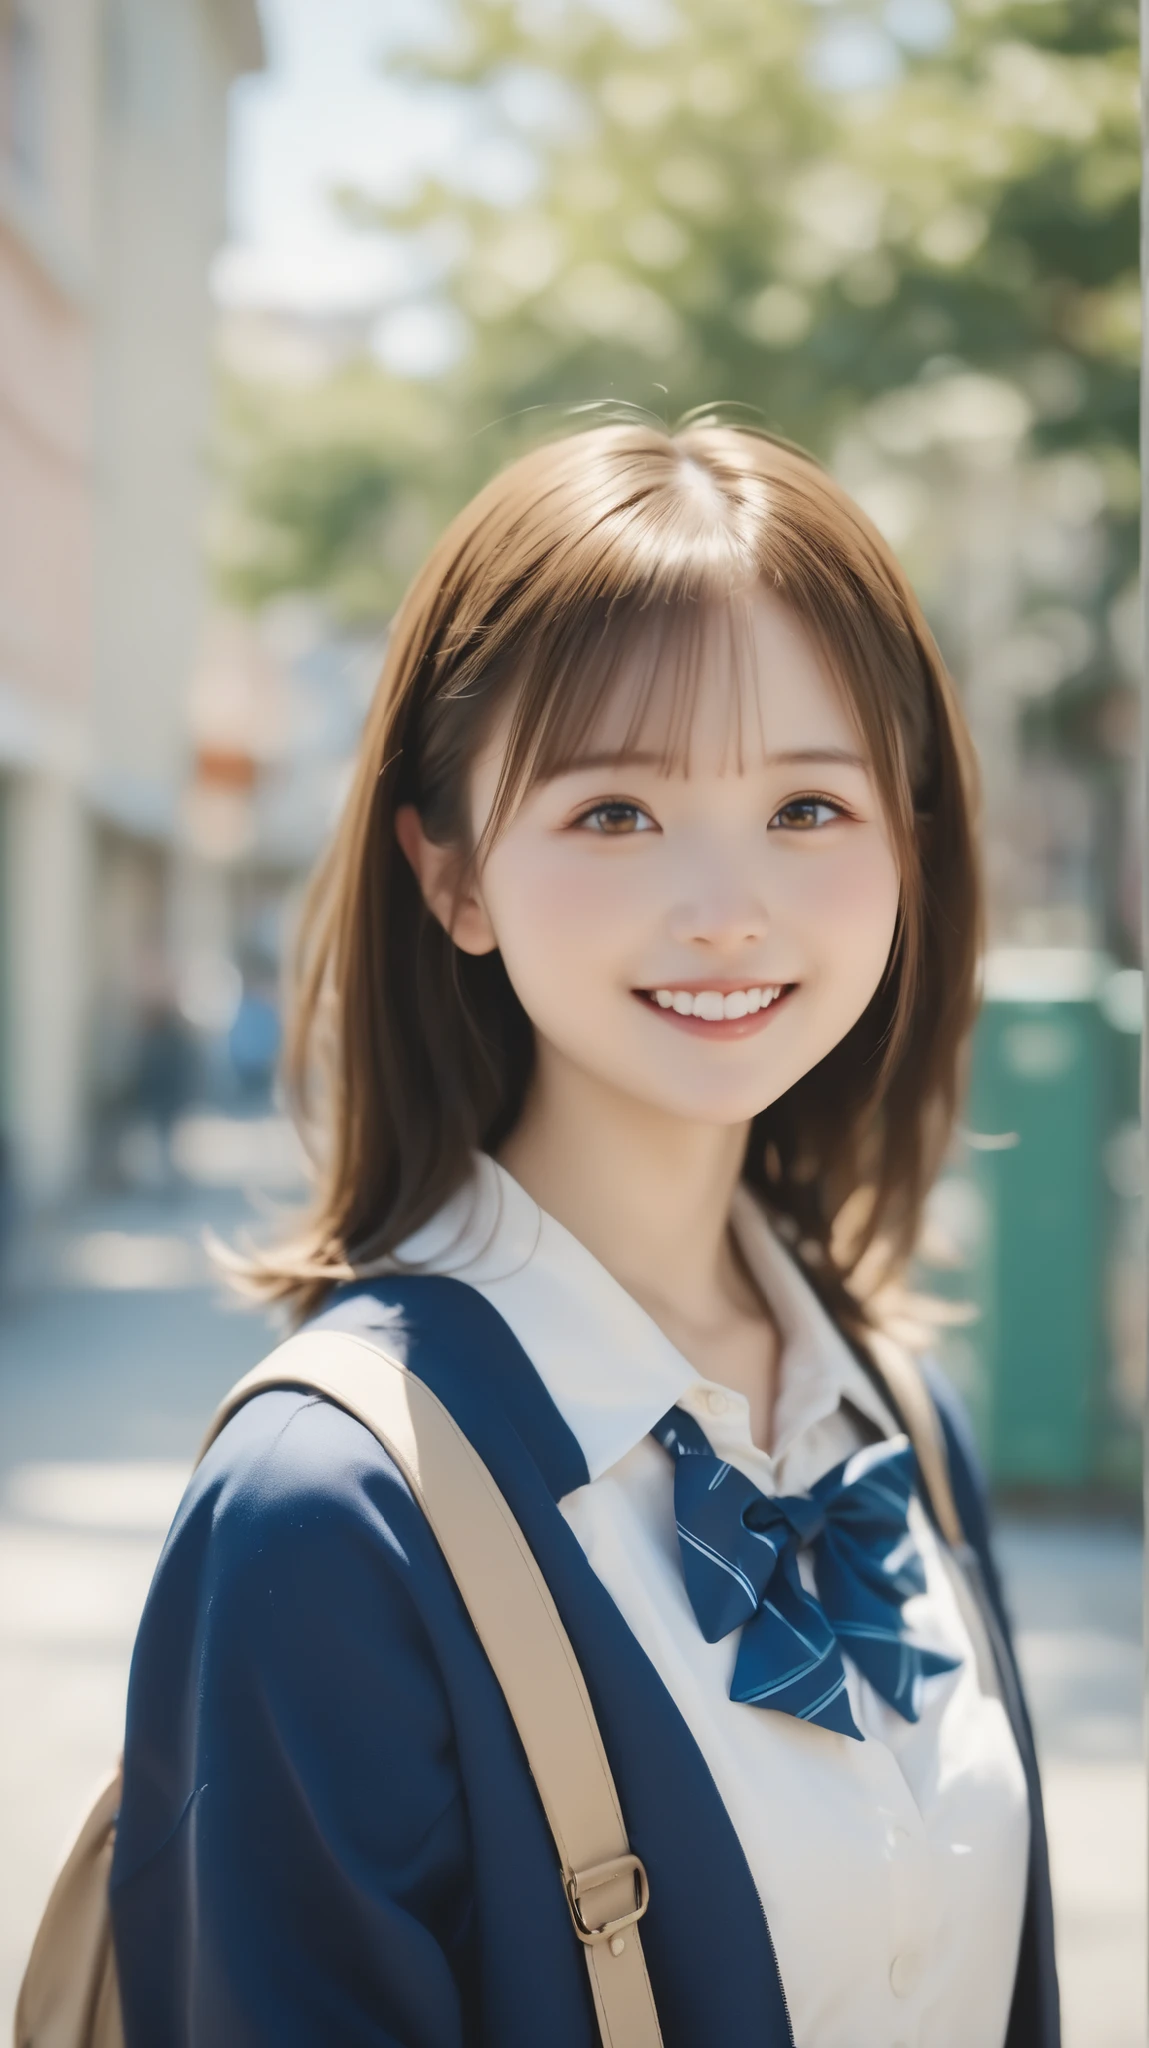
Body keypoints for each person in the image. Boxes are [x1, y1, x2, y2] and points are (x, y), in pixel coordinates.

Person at [109, 423, 1057, 2047]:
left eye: (810, 807)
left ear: (910, 844)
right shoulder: (327, 1518)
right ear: (453, 873)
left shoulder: (898, 1412)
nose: (726, 904)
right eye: (617, 813)